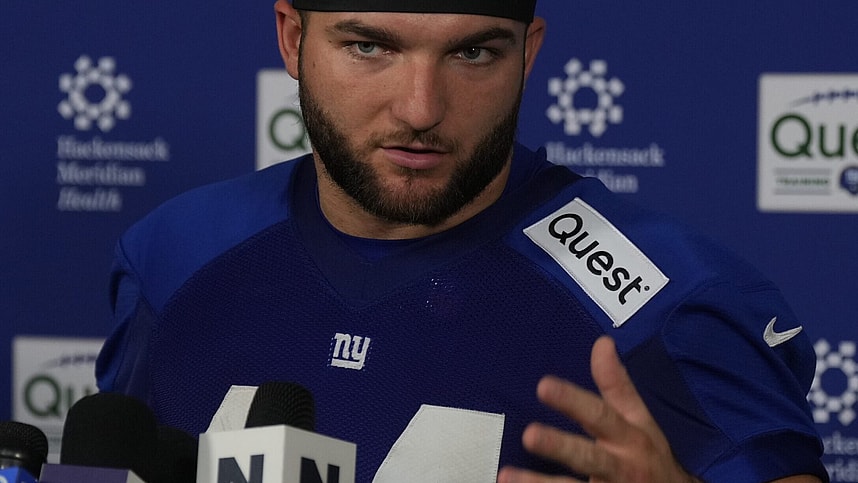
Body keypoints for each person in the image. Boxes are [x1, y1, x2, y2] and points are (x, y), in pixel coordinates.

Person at [95, 0, 828, 481]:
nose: (421, 108)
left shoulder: (670, 299)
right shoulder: (173, 256)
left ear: (529, 52)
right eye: (370, 47)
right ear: (293, 37)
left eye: (474, 54)